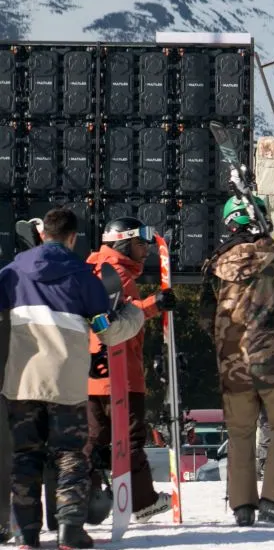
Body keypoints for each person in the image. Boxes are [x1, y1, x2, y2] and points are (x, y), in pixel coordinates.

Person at [0, 207, 143, 549]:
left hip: (22, 381)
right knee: (69, 455)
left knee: (25, 455)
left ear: (43, 234)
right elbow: (106, 330)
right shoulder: (83, 276)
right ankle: (69, 530)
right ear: (72, 238)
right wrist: (134, 315)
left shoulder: (12, 272)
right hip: (66, 382)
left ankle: (26, 534)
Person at [199, 193, 274, 527]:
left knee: (240, 432)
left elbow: (205, 317)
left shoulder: (215, 264)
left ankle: (242, 505)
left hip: (232, 362)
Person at [83, 217, 177, 522]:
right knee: (130, 439)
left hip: (90, 374)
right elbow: (117, 319)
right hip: (120, 371)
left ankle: (82, 498)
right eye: (139, 243)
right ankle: (142, 502)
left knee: (94, 439)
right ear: (122, 243)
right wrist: (155, 303)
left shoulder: (90, 268)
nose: (146, 250)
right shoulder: (118, 273)